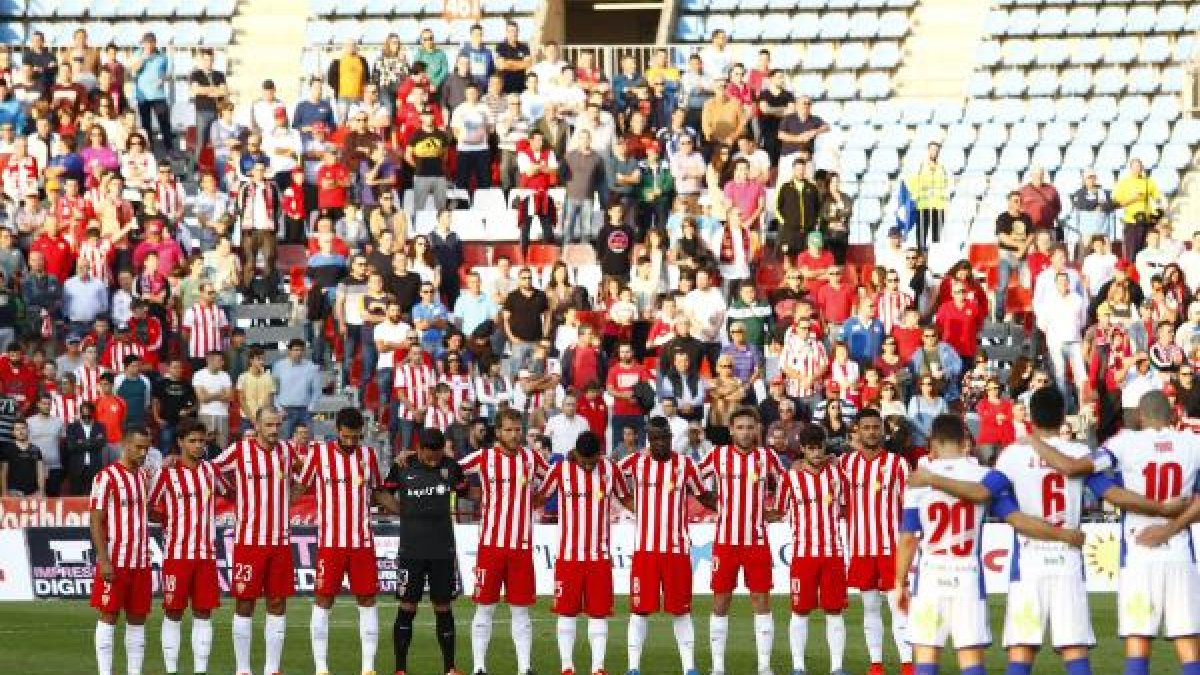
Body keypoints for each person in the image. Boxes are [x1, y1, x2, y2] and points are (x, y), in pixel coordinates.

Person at [911, 386, 1181, 675]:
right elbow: (1112, 493)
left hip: (1028, 561)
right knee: (1074, 650)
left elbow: (980, 493)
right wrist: (1159, 508)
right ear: (1064, 415)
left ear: (1030, 417)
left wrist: (933, 478)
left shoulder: (1014, 455)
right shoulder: (1079, 453)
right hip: (1067, 559)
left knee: (1022, 651)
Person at [1024, 390, 1200, 675]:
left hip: (1138, 554)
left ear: (1140, 416)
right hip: (1180, 552)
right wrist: (1170, 527)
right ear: (1172, 415)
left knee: (1138, 644)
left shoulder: (1124, 444)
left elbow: (1071, 468)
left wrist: (1031, 438)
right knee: (1189, 645)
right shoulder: (1193, 443)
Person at [895, 414, 1083, 675]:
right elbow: (1016, 519)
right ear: (965, 443)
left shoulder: (919, 480)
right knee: (971, 659)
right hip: (967, 576)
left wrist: (899, 581)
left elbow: (908, 538)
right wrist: (1062, 535)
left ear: (933, 445)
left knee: (926, 657)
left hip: (930, 575)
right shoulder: (985, 476)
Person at [297, 407, 399, 675]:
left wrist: (406, 511)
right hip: (331, 543)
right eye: (347, 437)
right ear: (337, 432)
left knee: (367, 600)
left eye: (357, 437)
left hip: (362, 542)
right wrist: (275, 505)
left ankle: (368, 668)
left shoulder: (368, 455)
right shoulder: (319, 454)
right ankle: (321, 668)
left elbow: (378, 493)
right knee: (323, 600)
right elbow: (300, 486)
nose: (352, 442)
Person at [534, 430, 633, 675]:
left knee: (598, 613)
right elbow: (539, 497)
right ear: (576, 454)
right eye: (584, 462)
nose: (589, 466)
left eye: (593, 462)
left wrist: (650, 512)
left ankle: (598, 667)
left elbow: (626, 498)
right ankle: (567, 667)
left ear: (599, 455)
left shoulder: (610, 469)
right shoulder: (560, 470)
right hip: (569, 556)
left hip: (599, 556)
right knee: (566, 612)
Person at [618, 416, 708, 675]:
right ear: (648, 440)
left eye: (664, 438)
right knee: (639, 610)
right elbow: (610, 475)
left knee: (680, 611)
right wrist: (629, 504)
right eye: (655, 439)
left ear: (670, 437)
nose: (660, 443)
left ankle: (689, 667)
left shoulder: (686, 465)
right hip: (645, 550)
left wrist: (728, 509)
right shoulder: (636, 462)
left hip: (677, 550)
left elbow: (703, 494)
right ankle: (633, 667)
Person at [461, 408, 548, 675]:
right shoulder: (484, 457)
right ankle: (478, 667)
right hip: (491, 545)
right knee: (484, 607)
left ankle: (524, 668)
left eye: (517, 429)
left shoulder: (532, 458)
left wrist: (539, 498)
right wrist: (469, 491)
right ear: (498, 432)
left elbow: (556, 477)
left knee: (521, 610)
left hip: (521, 546)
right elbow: (451, 468)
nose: (514, 435)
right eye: (508, 430)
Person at [699, 406, 784, 675]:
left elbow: (787, 483)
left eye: (750, 427)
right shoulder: (718, 455)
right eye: (741, 427)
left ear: (757, 430)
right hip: (725, 541)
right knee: (720, 602)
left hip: (756, 541)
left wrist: (778, 511)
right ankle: (718, 667)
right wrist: (713, 503)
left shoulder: (767, 457)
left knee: (761, 601)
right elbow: (693, 480)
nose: (746, 432)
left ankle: (764, 666)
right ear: (731, 430)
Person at [213, 407, 297, 675]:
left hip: (281, 540)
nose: (274, 430)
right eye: (269, 425)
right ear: (257, 425)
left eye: (277, 425)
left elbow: (305, 472)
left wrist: (290, 496)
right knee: (245, 603)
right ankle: (243, 669)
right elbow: (210, 470)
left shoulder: (286, 451)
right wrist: (228, 491)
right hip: (249, 541)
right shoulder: (241, 451)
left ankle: (272, 669)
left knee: (277, 602)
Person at [386, 427, 469, 675]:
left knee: (443, 608)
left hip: (442, 550)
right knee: (407, 607)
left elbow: (468, 492)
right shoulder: (402, 465)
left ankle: (450, 668)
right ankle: (400, 669)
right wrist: (402, 511)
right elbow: (381, 493)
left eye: (438, 456)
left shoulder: (452, 467)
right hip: (411, 551)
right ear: (419, 449)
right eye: (429, 456)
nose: (434, 461)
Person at [769, 423, 850, 675]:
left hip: (833, 552)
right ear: (802, 449)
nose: (816, 453)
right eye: (811, 448)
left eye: (820, 448)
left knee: (834, 610)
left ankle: (836, 666)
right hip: (803, 553)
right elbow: (779, 511)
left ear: (825, 447)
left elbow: (846, 508)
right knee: (800, 610)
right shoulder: (790, 478)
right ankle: (798, 666)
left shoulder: (838, 475)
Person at [838, 408, 912, 675]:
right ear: (857, 430)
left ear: (883, 430)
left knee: (898, 605)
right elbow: (840, 504)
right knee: (870, 607)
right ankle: (876, 664)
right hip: (860, 547)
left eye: (875, 427)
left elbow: (910, 506)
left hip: (891, 547)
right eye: (866, 427)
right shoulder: (846, 465)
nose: (871, 432)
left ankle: (907, 664)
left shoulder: (898, 464)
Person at [150, 419, 221, 675]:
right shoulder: (167, 472)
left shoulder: (211, 471)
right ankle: (171, 670)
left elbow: (232, 492)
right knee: (173, 612)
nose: (198, 445)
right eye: (192, 440)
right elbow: (149, 506)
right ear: (180, 442)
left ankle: (200, 670)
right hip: (177, 555)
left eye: (202, 441)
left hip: (205, 554)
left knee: (204, 613)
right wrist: (168, 519)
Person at [90, 426, 152, 675]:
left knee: (137, 618)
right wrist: (104, 560)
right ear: (125, 445)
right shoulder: (107, 477)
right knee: (109, 615)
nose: (143, 452)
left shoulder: (143, 476)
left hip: (140, 559)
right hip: (116, 559)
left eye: (146, 448)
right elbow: (95, 519)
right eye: (138, 447)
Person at [131, 33, 173, 153]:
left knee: (164, 122)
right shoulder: (137, 54)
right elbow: (133, 69)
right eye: (146, 42)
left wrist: (163, 79)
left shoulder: (162, 56)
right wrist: (143, 58)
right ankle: (149, 149)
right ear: (143, 43)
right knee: (146, 124)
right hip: (143, 95)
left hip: (158, 95)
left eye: (151, 42)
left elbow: (169, 75)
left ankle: (169, 148)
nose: (148, 45)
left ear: (155, 43)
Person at [907, 141, 949, 252]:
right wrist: (917, 194)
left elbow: (946, 184)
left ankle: (936, 255)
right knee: (921, 233)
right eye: (932, 150)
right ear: (928, 151)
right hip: (923, 204)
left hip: (938, 205)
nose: (934, 152)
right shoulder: (921, 166)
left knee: (937, 235)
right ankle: (920, 255)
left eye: (936, 150)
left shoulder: (942, 168)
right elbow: (912, 181)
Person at [0, 419, 44, 497]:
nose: (20, 431)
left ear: (28, 430)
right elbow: (3, 473)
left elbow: (40, 472)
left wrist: (41, 491)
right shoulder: (8, 449)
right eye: (17, 429)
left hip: (33, 493)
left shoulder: (36, 449)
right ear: (13, 432)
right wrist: (4, 492)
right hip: (13, 493)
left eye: (23, 428)